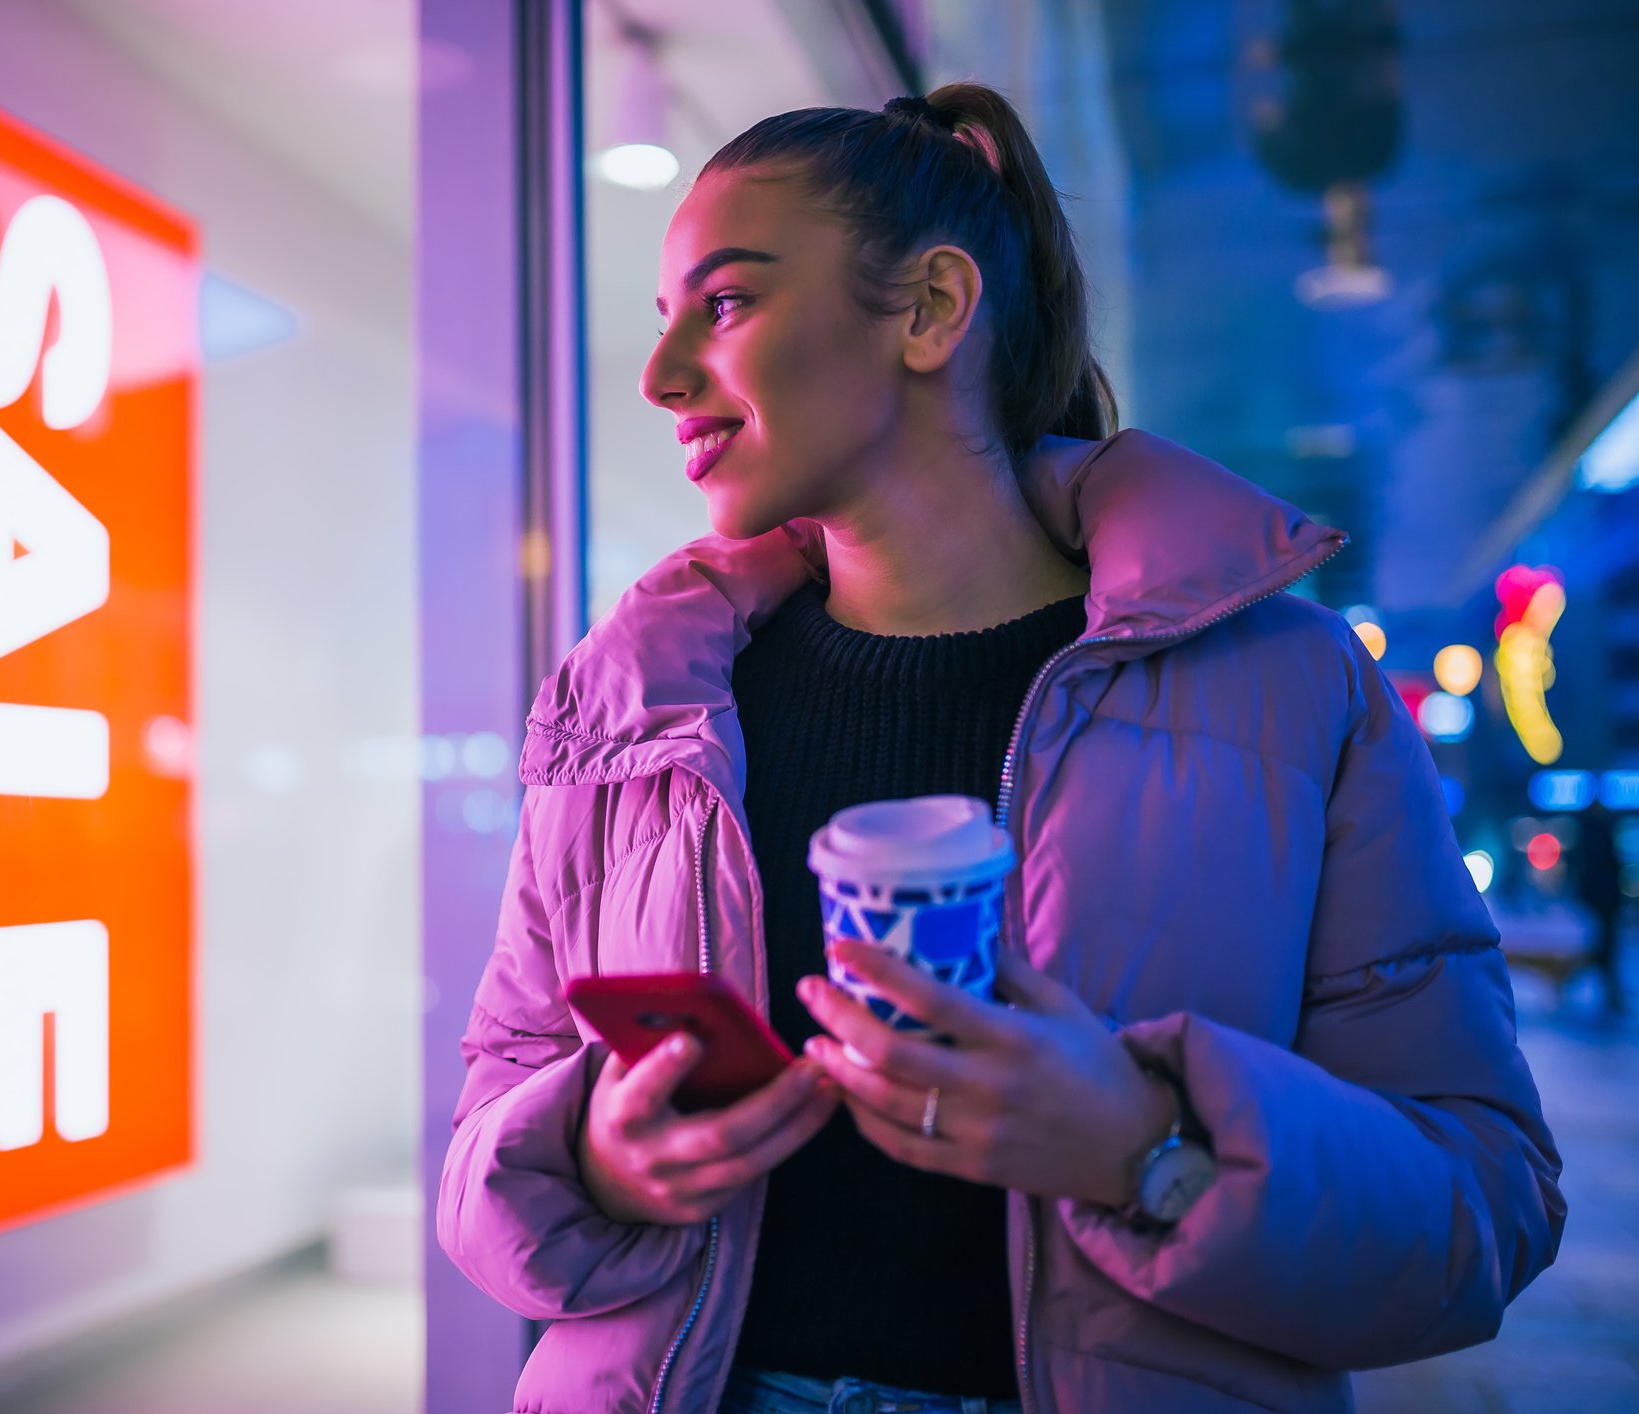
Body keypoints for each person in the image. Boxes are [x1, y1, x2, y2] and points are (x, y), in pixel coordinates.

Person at [437, 84, 1565, 1414]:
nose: (660, 373)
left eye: (724, 304)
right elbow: (485, 1145)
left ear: (927, 309)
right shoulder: (635, 703)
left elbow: (1477, 1212)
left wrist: (1143, 1151)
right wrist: (595, 1157)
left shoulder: (1291, 690)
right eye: (665, 317)